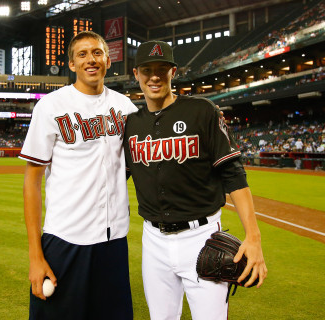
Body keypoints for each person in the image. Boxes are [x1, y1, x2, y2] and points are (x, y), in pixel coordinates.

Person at [123, 40, 267, 320]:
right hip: (153, 240)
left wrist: (254, 236)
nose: (154, 76)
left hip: (201, 238)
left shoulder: (203, 111)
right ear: (136, 74)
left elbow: (233, 173)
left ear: (173, 72)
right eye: (147, 69)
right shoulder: (131, 124)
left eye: (162, 69)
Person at [19, 31, 137, 320]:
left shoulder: (127, 108)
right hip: (65, 240)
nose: (91, 60)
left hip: (114, 240)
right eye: (82, 54)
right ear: (72, 64)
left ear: (108, 60)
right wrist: (36, 256)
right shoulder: (50, 106)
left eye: (97, 52)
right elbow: (32, 183)